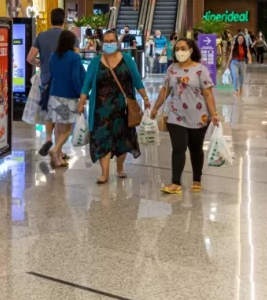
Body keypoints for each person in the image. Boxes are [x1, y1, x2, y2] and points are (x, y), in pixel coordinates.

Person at [78, 30, 150, 184]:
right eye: (106, 41)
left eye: (112, 41)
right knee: (102, 138)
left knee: (122, 139)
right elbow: (87, 83)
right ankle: (104, 173)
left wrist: (145, 97)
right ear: (102, 43)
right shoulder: (96, 62)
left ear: (117, 42)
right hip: (100, 109)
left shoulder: (127, 60)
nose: (109, 43)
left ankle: (119, 167)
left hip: (122, 109)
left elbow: (137, 80)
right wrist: (81, 100)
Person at [150, 38, 219, 194]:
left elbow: (208, 93)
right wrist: (156, 108)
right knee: (178, 148)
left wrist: (214, 114)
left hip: (199, 115)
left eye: (183, 48)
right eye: (177, 49)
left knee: (195, 148)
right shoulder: (172, 69)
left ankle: (197, 179)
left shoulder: (201, 70)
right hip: (176, 114)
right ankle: (175, 183)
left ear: (191, 50)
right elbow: (165, 90)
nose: (180, 51)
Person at [28, 7, 66, 156]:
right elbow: (74, 58)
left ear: (51, 20)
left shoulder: (41, 36)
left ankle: (48, 137)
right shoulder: (67, 36)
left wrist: (39, 63)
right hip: (63, 81)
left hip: (46, 80)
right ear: (63, 20)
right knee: (62, 116)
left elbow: (30, 58)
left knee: (49, 112)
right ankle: (59, 150)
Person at [47, 30, 86, 167]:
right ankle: (55, 149)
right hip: (68, 97)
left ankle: (58, 159)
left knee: (58, 127)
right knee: (68, 129)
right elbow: (75, 78)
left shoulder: (53, 56)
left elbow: (52, 73)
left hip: (54, 95)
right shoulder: (74, 57)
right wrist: (81, 93)